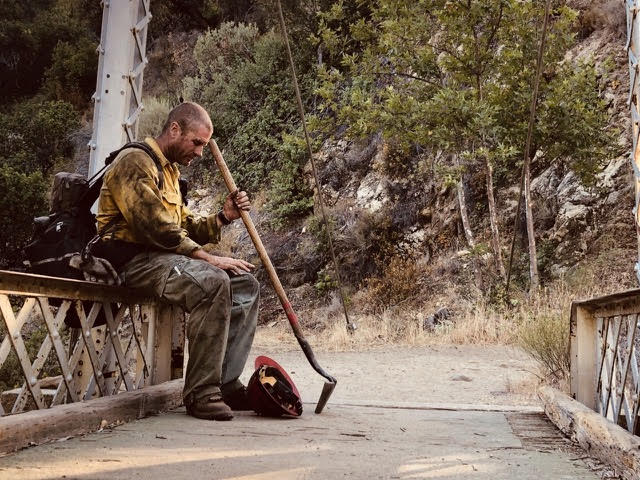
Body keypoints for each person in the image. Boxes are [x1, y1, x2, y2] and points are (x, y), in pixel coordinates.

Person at [94, 102, 259, 421]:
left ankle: (225, 382)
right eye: (197, 142)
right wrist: (207, 258)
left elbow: (182, 224)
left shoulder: (170, 171)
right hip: (131, 260)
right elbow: (152, 225)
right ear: (174, 129)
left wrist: (224, 217)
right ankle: (201, 393)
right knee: (212, 282)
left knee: (246, 287)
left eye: (204, 145)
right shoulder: (134, 161)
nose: (200, 153)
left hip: (164, 259)